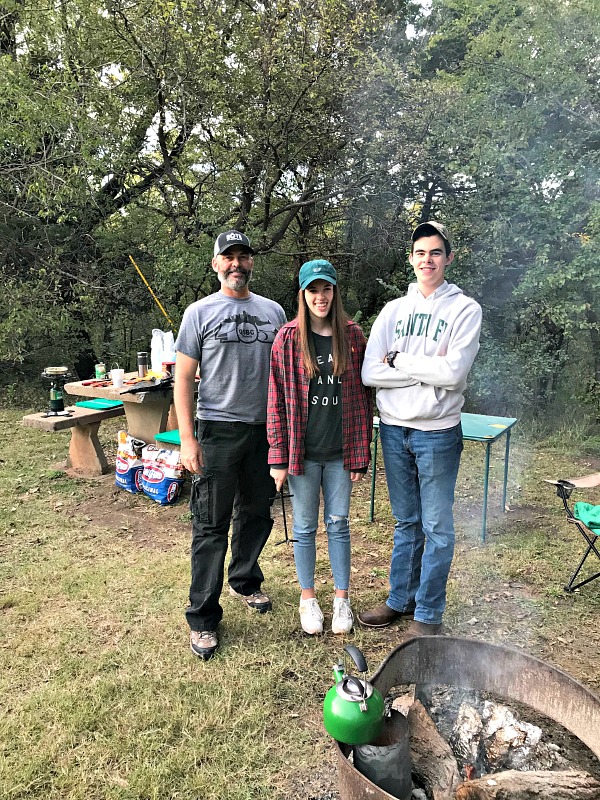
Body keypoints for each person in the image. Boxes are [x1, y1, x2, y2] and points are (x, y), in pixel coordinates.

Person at [358, 222, 482, 636]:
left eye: (434, 252)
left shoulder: (464, 309)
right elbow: (369, 372)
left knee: (438, 527)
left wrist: (401, 360)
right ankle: (399, 600)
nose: (426, 260)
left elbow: (454, 373)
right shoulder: (393, 311)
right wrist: (420, 373)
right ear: (410, 259)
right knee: (405, 522)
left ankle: (428, 612)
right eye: (419, 253)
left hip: (438, 432)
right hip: (393, 429)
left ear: (448, 257)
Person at [175, 229, 286, 660]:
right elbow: (183, 379)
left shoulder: (274, 311)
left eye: (243, 256)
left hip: (265, 431)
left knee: (257, 513)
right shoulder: (199, 313)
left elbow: (287, 373)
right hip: (217, 431)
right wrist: (188, 439)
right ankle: (203, 616)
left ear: (251, 263)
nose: (236, 263)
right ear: (216, 263)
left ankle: (246, 581)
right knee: (210, 524)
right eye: (229, 256)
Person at [267, 259, 372, 635]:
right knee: (306, 526)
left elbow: (363, 399)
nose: (320, 297)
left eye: (326, 289)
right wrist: (277, 457)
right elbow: (275, 401)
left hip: (341, 453)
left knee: (339, 524)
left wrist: (360, 453)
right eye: (313, 290)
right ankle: (308, 598)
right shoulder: (287, 338)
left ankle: (341, 599)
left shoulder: (354, 336)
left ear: (335, 292)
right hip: (302, 454)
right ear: (303, 294)